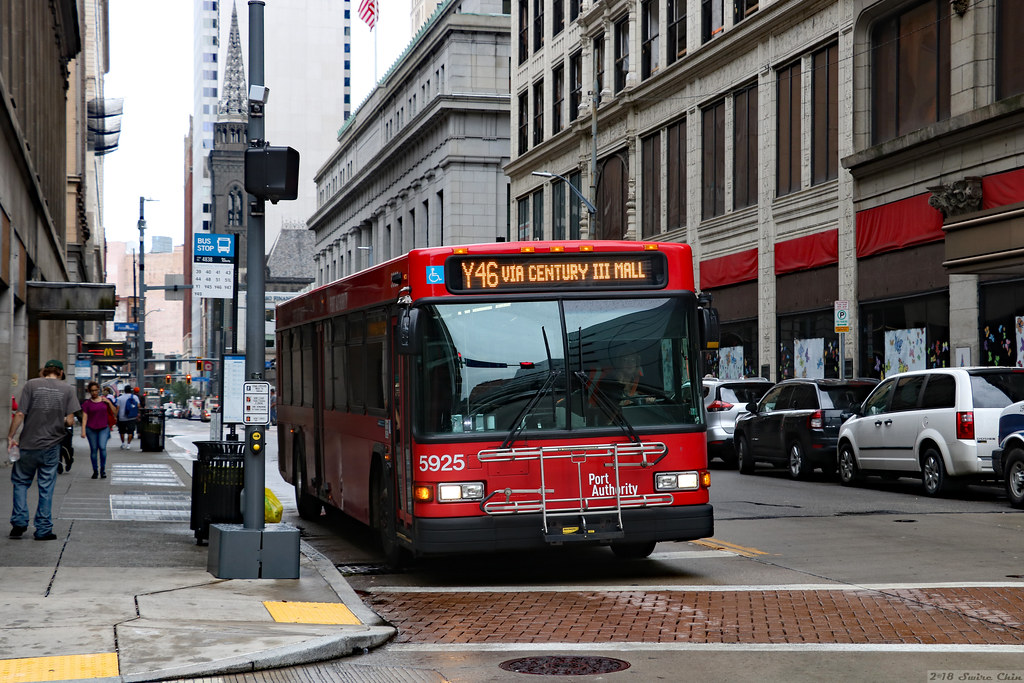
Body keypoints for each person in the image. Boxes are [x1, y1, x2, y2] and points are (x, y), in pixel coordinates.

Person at [7, 359, 80, 540]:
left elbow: (20, 413)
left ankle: (19, 522)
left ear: (44, 371)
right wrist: (59, 419)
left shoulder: (31, 385)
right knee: (46, 487)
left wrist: (10, 436)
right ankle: (43, 529)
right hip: (51, 446)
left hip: (28, 444)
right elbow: (70, 421)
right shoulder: (68, 389)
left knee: (20, 482)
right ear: (60, 373)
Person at [81, 381, 116, 479]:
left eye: (96, 390)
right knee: (93, 450)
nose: (94, 392)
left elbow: (115, 412)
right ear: (89, 391)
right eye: (92, 391)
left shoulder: (105, 400)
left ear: (99, 390)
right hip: (91, 429)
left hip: (104, 428)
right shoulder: (87, 403)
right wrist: (83, 430)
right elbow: (84, 418)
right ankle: (95, 471)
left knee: (102, 447)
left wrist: (109, 402)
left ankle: (103, 470)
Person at [115, 384, 141, 449]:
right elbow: (138, 406)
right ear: (131, 390)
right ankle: (128, 444)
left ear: (124, 390)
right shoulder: (135, 397)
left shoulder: (120, 398)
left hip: (122, 417)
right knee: (130, 431)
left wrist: (115, 416)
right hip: (132, 417)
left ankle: (123, 443)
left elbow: (117, 408)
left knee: (121, 431)